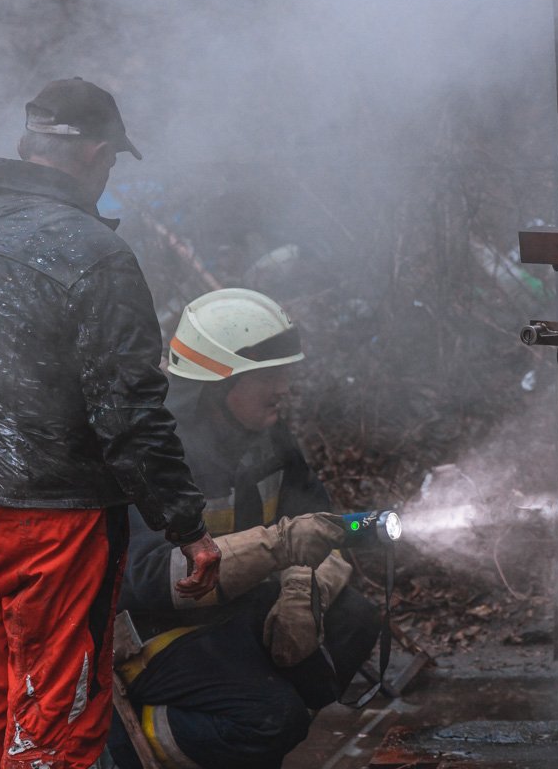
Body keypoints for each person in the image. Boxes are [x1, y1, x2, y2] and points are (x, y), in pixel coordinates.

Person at [0, 78, 221, 769]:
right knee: (57, 717)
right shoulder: (96, 256)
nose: (108, 178)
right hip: (56, 523)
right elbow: (129, 411)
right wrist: (186, 526)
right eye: (109, 165)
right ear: (95, 153)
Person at [107, 289, 380, 769]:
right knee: (271, 717)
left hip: (237, 612)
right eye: (269, 376)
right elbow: (151, 578)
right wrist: (277, 547)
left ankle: (247, 733)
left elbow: (324, 526)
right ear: (216, 384)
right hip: (158, 635)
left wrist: (301, 591)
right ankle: (129, 745)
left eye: (285, 373)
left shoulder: (268, 439)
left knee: (354, 620)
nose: (283, 388)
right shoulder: (155, 456)